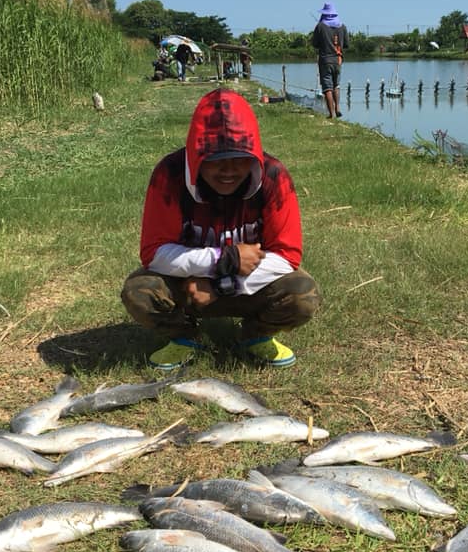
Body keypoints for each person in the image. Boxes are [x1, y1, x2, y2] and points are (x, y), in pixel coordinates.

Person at [121, 89, 321, 370]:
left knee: (302, 294)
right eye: (215, 160)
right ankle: (184, 337)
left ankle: (255, 335)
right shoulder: (170, 175)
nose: (228, 170)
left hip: (245, 284)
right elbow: (154, 254)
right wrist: (223, 260)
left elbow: (287, 256)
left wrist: (220, 285)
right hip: (187, 286)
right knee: (138, 291)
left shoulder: (274, 176)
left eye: (240, 159)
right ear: (195, 156)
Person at [311, 1, 349, 119]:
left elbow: (314, 43)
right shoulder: (342, 26)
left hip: (325, 60)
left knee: (327, 87)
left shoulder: (320, 26)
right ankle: (337, 108)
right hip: (338, 61)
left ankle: (331, 114)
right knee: (336, 85)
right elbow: (346, 44)